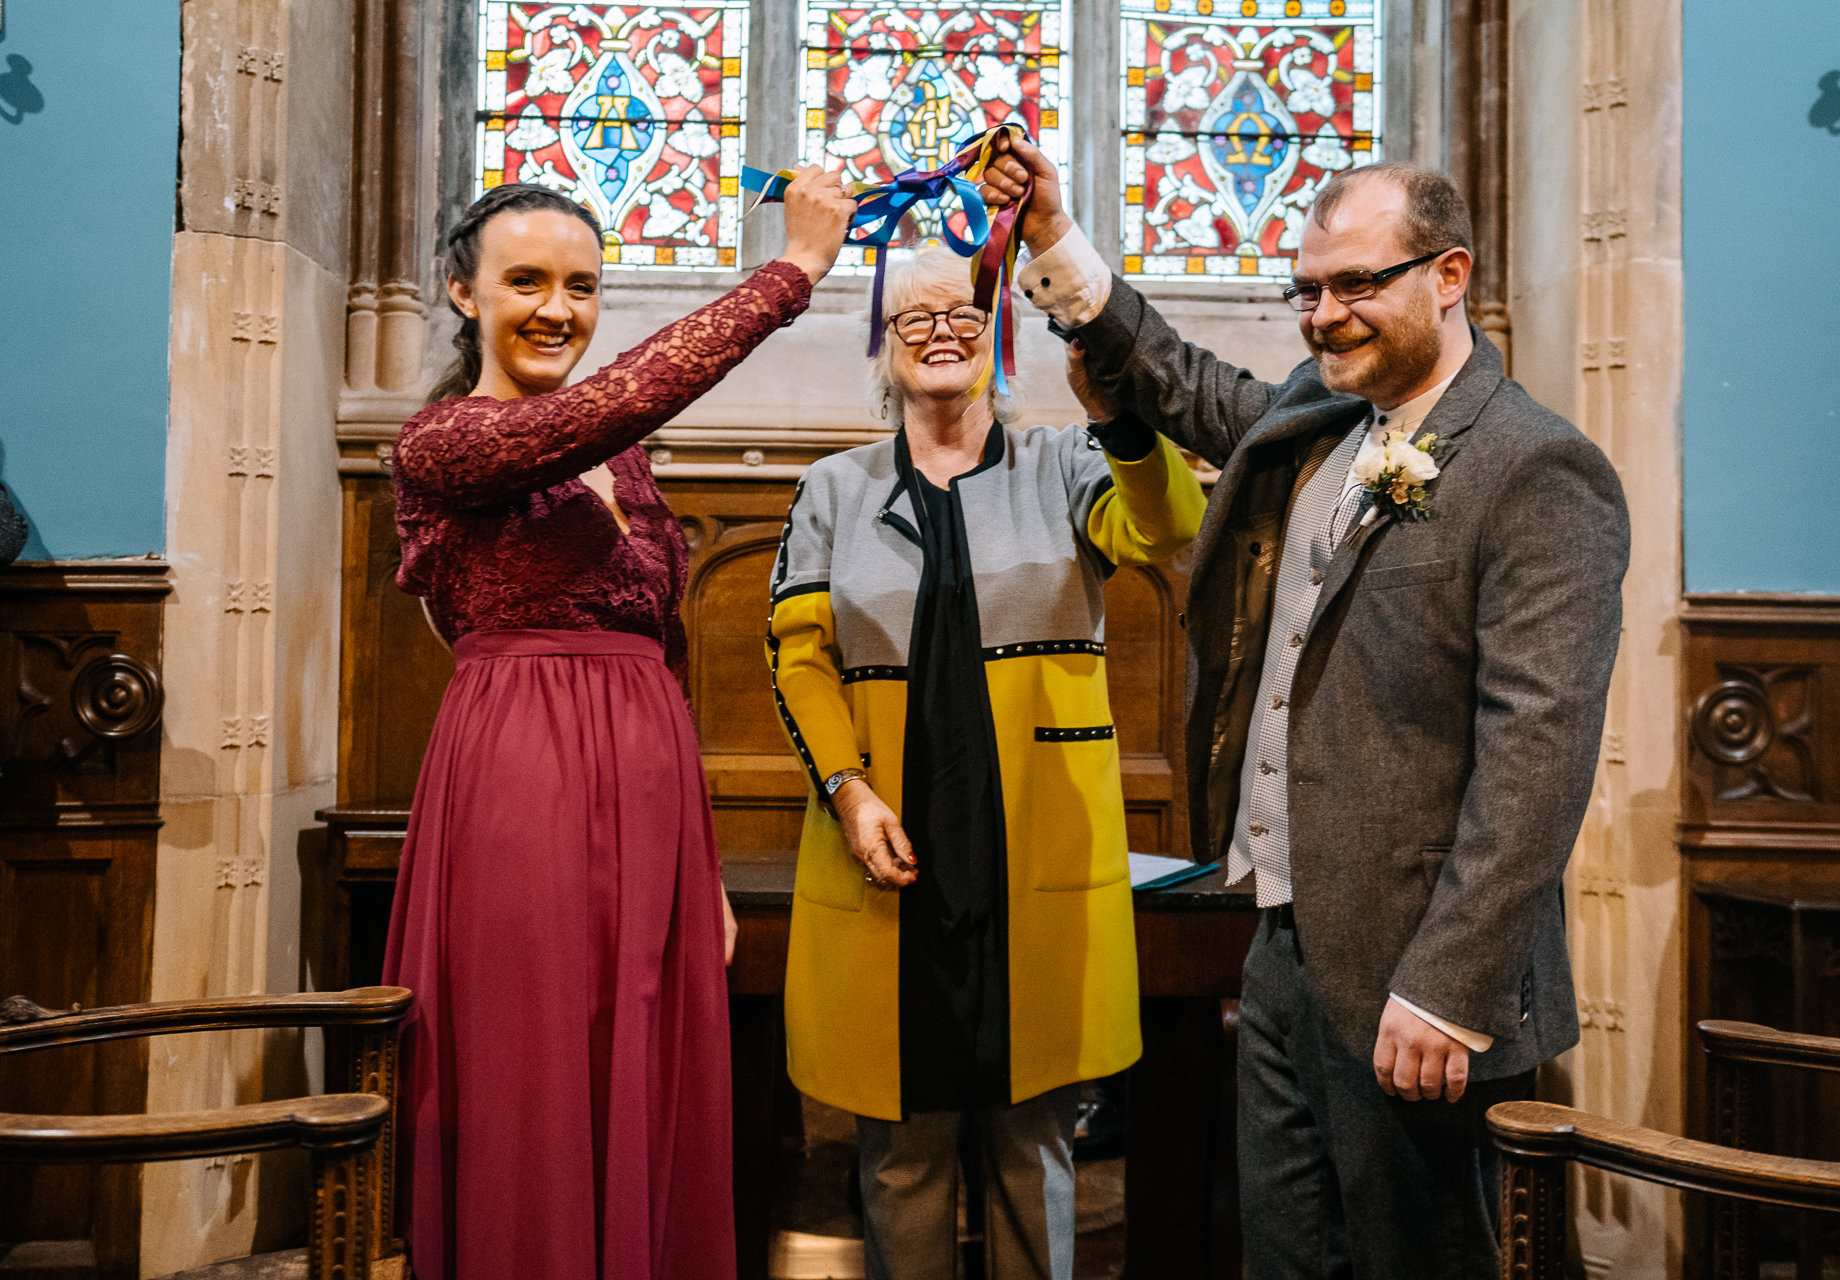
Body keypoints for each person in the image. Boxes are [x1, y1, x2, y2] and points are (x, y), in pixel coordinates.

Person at [978, 143, 1630, 1277]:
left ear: (1449, 273)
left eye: (1358, 284)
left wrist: (1449, 987)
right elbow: (1180, 378)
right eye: (1310, 291)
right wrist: (1051, 240)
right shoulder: (1319, 420)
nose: (1325, 316)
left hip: (1417, 967)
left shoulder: (1537, 468)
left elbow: (1539, 752)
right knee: (1286, 1253)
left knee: (1413, 1257)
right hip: (1278, 935)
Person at [381, 172, 855, 1280]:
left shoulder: (621, 457)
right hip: (520, 778)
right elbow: (611, 401)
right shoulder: (441, 442)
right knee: (534, 1064)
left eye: (583, 286)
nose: (558, 308)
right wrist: (791, 274)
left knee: (645, 1060)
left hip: (650, 790)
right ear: (463, 292)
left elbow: (669, 648)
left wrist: (703, 863)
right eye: (526, 282)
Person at [766, 241, 1206, 1280]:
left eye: (964, 314)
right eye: (914, 318)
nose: (941, 333)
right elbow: (797, 657)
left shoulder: (1064, 465)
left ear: (998, 334)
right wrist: (848, 788)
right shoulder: (833, 489)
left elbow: (1171, 526)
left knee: (1030, 1150)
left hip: (1033, 871)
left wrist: (1121, 418)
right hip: (892, 863)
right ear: (885, 345)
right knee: (902, 1162)